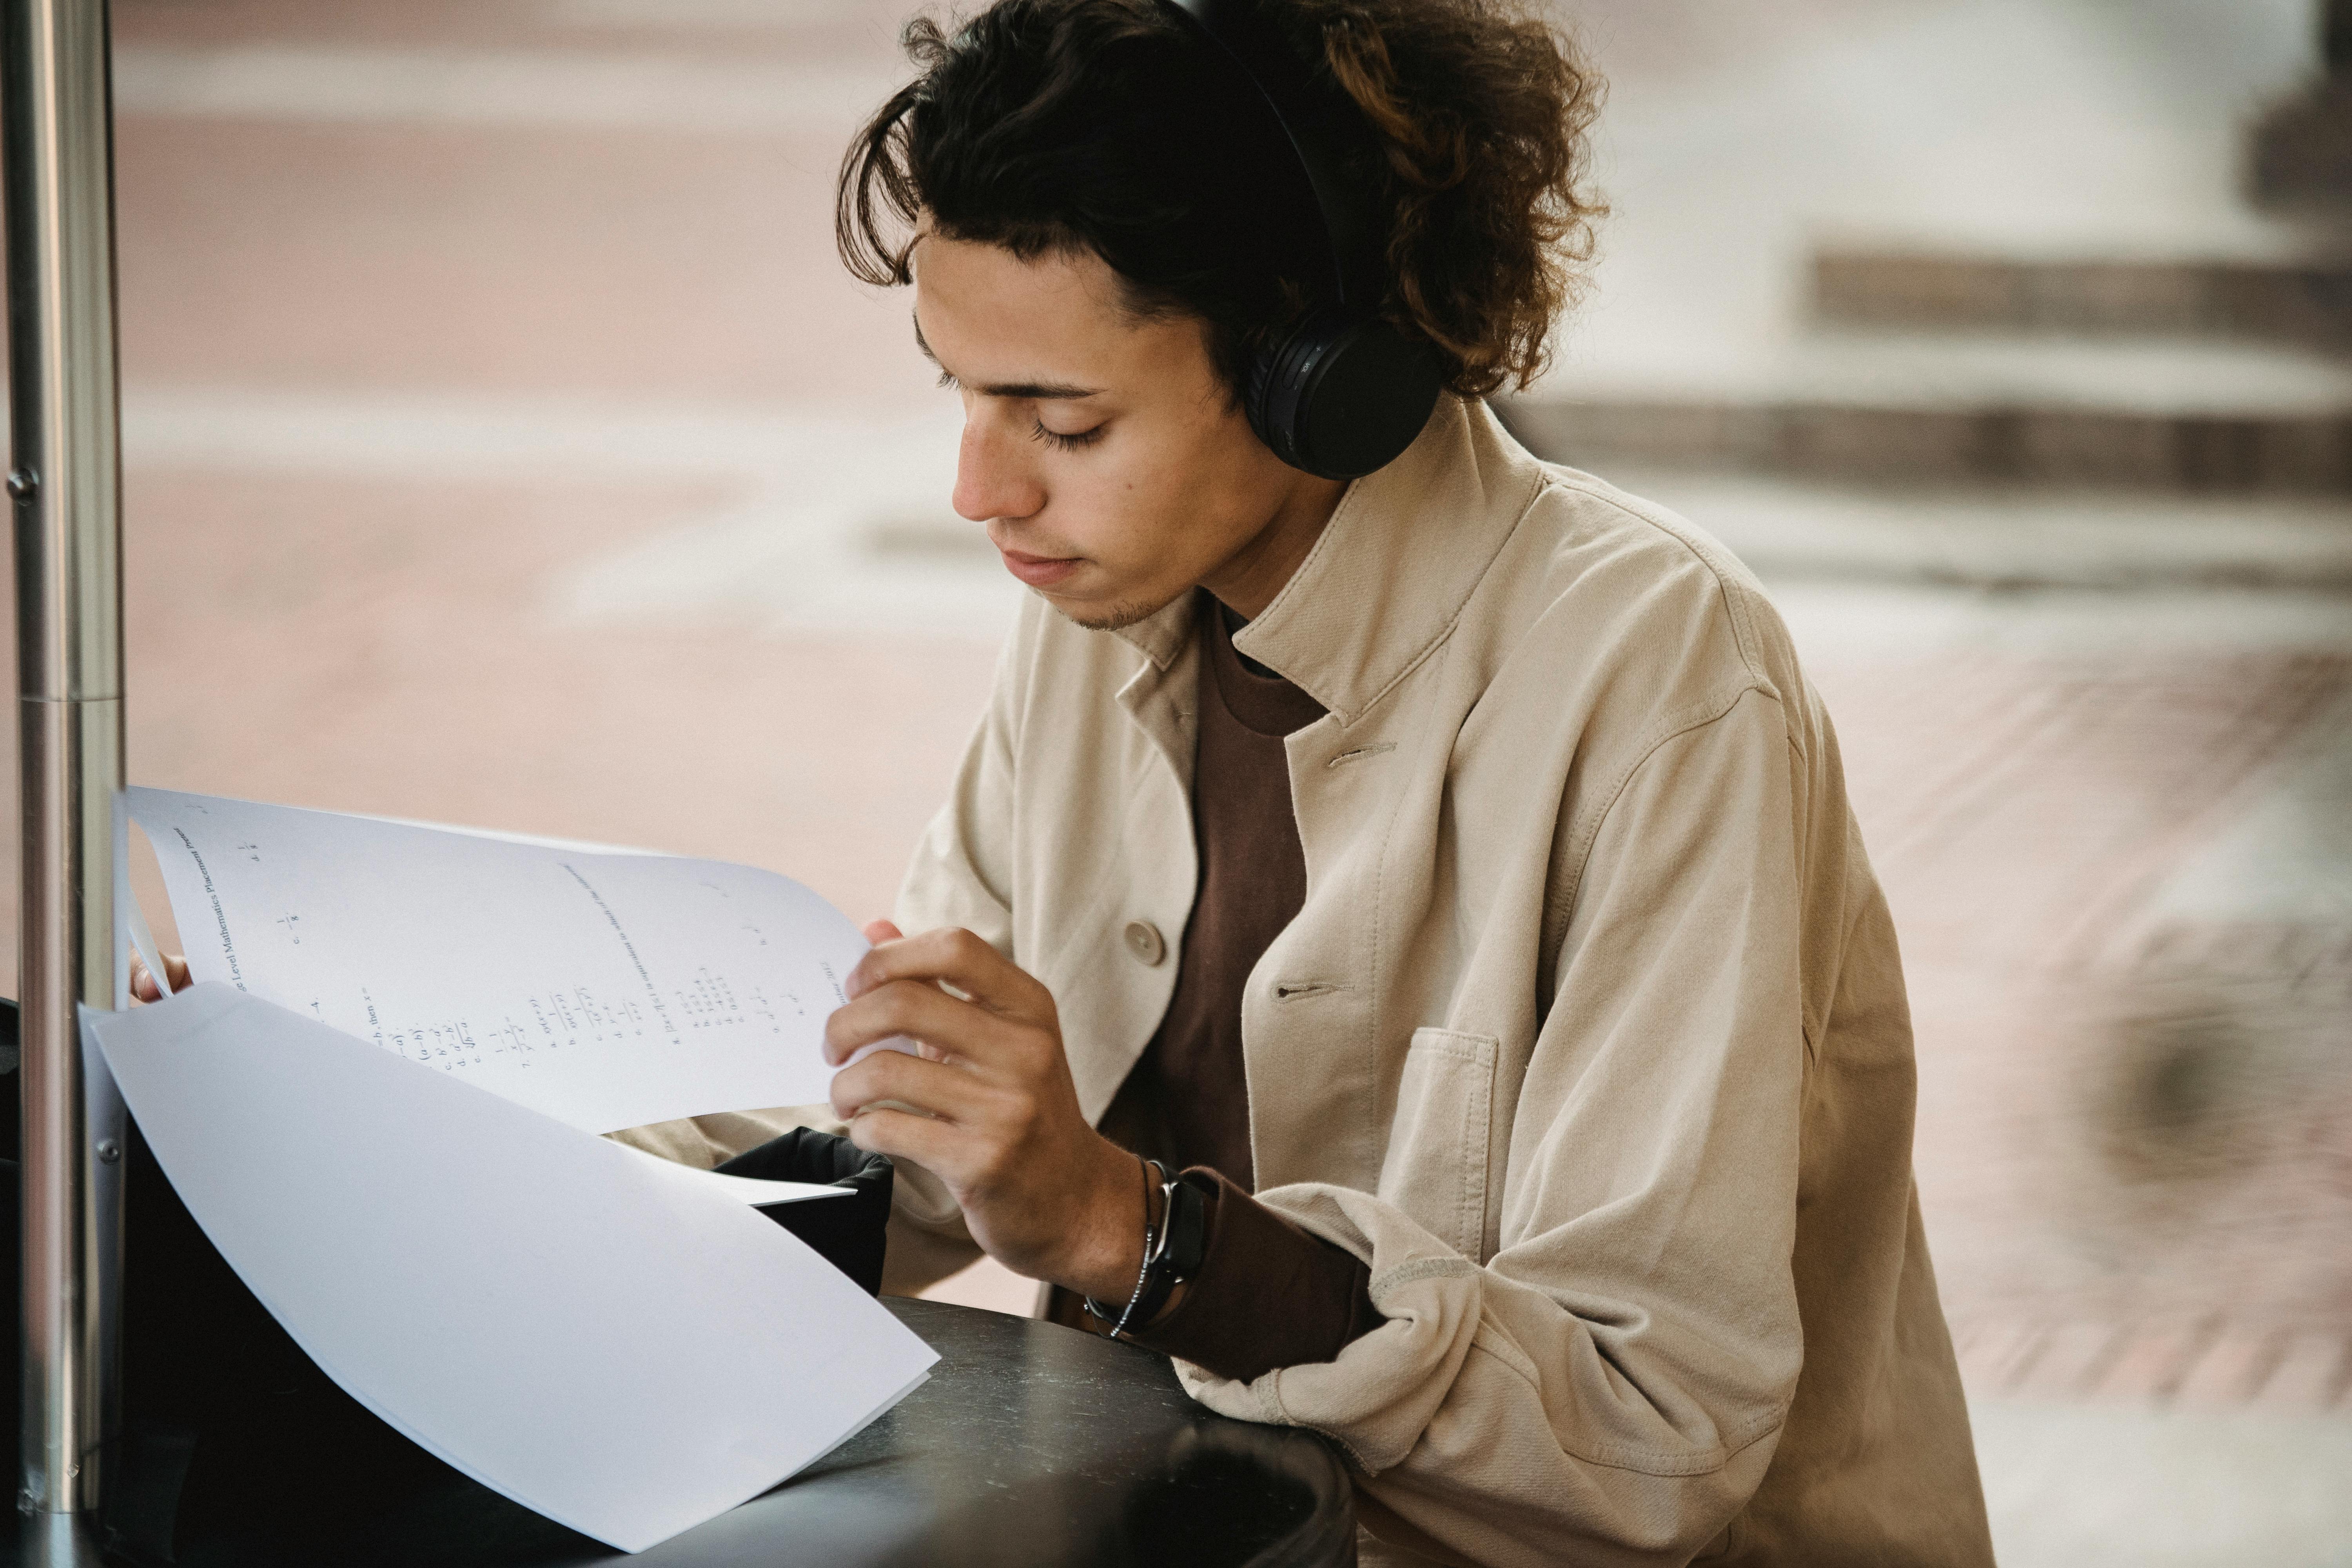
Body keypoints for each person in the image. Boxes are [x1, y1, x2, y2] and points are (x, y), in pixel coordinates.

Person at [129, 0, 1990, 1557]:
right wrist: (399, 1116)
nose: (981, 493)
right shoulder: (1102, 619)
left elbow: (1653, 1434)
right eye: (958, 391)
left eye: (1063, 419)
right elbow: (939, 1177)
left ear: (1317, 377)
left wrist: (1124, 1227)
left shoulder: (1661, 681)